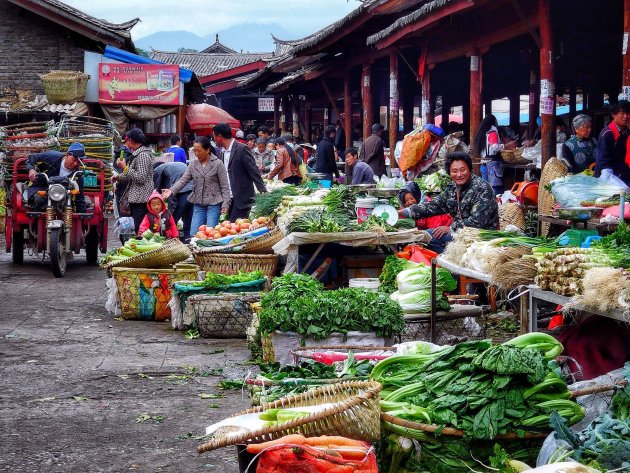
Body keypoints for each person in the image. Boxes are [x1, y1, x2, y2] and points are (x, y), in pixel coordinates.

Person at [398, 151, 499, 253]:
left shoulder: (482, 188)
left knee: (430, 237)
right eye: (454, 171)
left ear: (469, 170)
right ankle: (452, 259)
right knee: (426, 236)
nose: (459, 174)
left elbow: (477, 222)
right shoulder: (452, 188)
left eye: (463, 170)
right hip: (460, 233)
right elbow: (434, 205)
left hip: (481, 236)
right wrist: (403, 212)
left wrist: (451, 228)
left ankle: (454, 260)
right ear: (449, 173)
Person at [162, 136, 230, 236]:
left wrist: (225, 204)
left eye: (199, 151)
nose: (196, 153)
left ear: (207, 150)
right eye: (195, 151)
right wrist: (171, 191)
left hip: (214, 203)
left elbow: (225, 186)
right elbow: (183, 180)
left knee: (211, 234)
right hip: (198, 203)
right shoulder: (193, 164)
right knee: (194, 233)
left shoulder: (218, 164)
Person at [213, 123, 267, 220]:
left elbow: (253, 171)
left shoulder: (242, 149)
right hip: (227, 199)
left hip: (242, 198)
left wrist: (262, 190)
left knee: (236, 227)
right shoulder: (222, 152)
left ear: (219, 136)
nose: (214, 139)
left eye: (214, 136)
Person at [113, 129, 154, 233]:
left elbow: (140, 177)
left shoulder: (143, 155)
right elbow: (130, 175)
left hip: (142, 199)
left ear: (130, 140)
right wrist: (118, 177)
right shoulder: (137, 154)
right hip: (136, 199)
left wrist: (124, 167)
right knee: (138, 227)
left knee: (140, 229)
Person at [26, 142, 87, 212]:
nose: (76, 164)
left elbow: (79, 199)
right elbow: (31, 159)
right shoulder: (52, 157)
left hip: (62, 195)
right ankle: (36, 221)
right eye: (74, 159)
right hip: (41, 188)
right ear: (67, 155)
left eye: (79, 161)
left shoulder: (77, 176)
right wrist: (31, 169)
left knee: (67, 203)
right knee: (40, 199)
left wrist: (82, 218)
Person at [473, 114, 516, 195]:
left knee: (485, 190)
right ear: (493, 122)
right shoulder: (492, 132)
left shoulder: (482, 134)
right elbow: (494, 147)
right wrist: (505, 145)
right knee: (496, 190)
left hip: (484, 164)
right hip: (493, 166)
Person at [153, 161, 193, 240]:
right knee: (189, 217)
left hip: (181, 191)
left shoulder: (157, 170)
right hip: (192, 190)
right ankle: (187, 239)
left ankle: (169, 239)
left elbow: (156, 191)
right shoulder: (173, 165)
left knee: (173, 218)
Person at [596, 100, 630, 185]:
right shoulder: (607, 133)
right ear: (614, 114)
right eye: (622, 113)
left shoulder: (627, 131)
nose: (625, 116)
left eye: (628, 113)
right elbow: (603, 160)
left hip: (624, 175)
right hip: (612, 178)